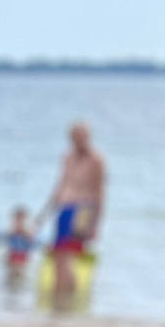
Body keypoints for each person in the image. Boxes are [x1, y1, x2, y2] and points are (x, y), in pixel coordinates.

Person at [35, 121, 105, 302]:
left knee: (69, 256)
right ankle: (58, 301)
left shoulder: (96, 160)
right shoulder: (67, 158)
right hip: (63, 209)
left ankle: (67, 302)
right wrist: (43, 214)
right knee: (58, 257)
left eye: (81, 136)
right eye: (75, 136)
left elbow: (100, 192)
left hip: (83, 209)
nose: (78, 140)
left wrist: (95, 223)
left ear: (88, 137)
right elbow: (60, 186)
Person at [0, 204, 36, 287]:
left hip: (22, 257)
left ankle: (18, 291)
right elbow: (0, 237)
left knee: (21, 275)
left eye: (21, 220)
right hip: (12, 256)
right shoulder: (11, 231)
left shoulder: (27, 231)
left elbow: (33, 242)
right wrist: (12, 232)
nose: (19, 222)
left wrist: (25, 233)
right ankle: (9, 290)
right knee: (10, 275)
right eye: (17, 220)